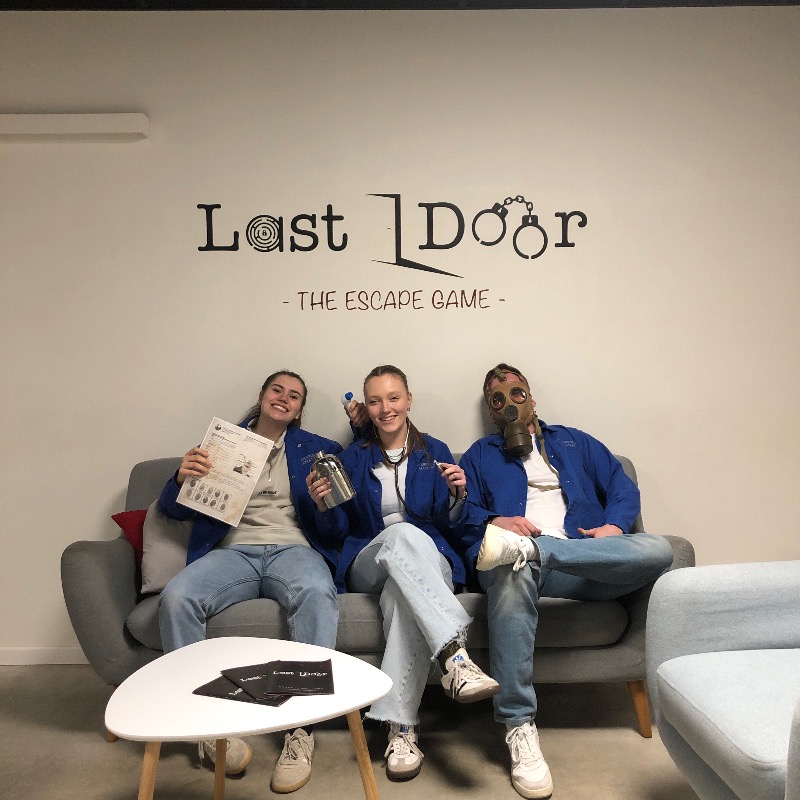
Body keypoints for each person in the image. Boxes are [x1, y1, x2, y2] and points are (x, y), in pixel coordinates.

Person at [458, 363, 675, 800]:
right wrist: (496, 520)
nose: (509, 403)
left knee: (660, 549)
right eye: (497, 398)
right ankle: (518, 724)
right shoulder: (479, 456)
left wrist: (615, 526)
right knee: (511, 569)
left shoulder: (576, 442)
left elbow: (622, 488)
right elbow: (463, 516)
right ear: (491, 411)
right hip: (519, 569)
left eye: (516, 393)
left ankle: (540, 551)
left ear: (532, 398)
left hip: (585, 562)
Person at [307, 364, 499, 782]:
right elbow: (338, 532)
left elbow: (454, 526)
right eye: (375, 401)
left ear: (409, 400)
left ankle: (402, 730)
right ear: (367, 407)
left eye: (393, 398)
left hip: (427, 565)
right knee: (402, 535)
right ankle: (454, 655)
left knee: (401, 595)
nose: (385, 408)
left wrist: (459, 496)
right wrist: (323, 506)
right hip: (369, 562)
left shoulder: (436, 450)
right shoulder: (353, 457)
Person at [157, 370, 342, 794]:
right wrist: (180, 478)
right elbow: (174, 509)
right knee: (177, 597)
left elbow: (336, 530)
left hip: (293, 549)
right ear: (262, 395)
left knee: (317, 592)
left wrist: (324, 505)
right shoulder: (222, 444)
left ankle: (301, 730)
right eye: (277, 389)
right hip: (232, 550)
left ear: (299, 409)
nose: (284, 398)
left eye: (294, 396)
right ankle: (206, 725)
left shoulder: (319, 451)